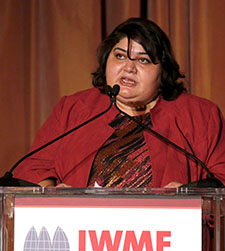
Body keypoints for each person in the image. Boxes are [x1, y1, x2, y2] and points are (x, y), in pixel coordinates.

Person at [14, 17, 225, 188]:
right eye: (120, 56)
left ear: (163, 72)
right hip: (82, 234)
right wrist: (52, 198)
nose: (129, 67)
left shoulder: (200, 115)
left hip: (163, 237)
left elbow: (221, 181)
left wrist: (191, 199)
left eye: (143, 60)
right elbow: (33, 169)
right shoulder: (74, 108)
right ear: (106, 61)